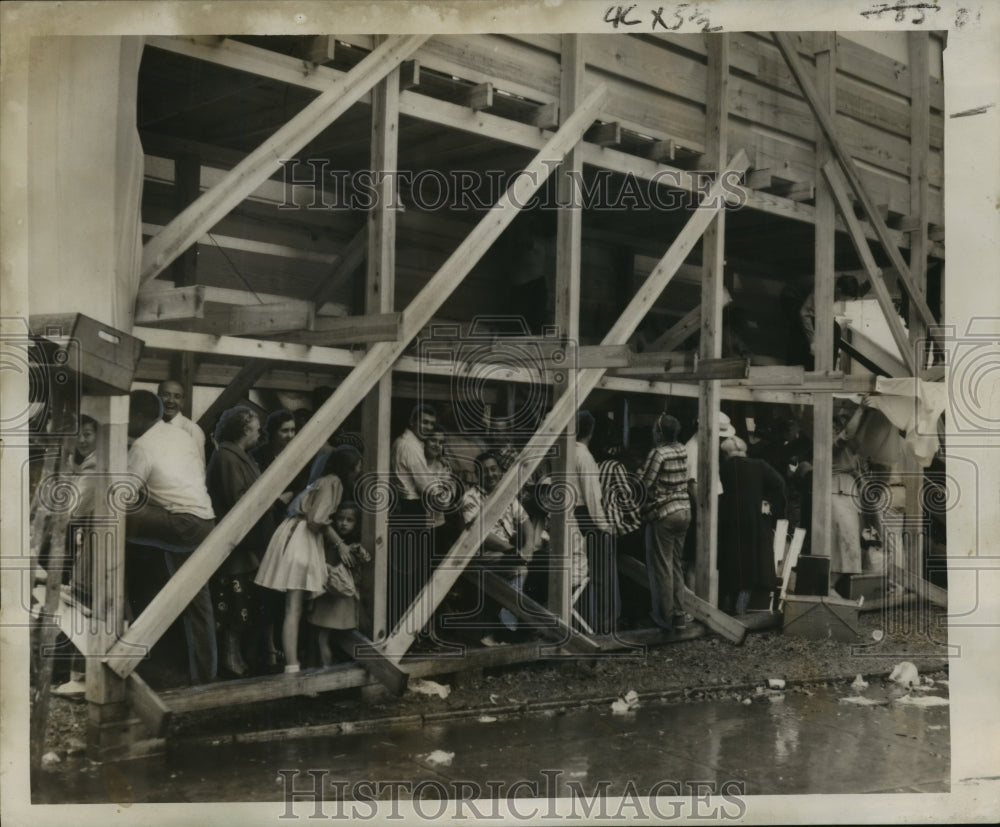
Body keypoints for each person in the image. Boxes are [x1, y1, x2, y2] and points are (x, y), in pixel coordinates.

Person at [126, 390, 217, 685]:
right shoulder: (182, 435)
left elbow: (123, 497)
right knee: (197, 601)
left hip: (183, 524)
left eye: (126, 419)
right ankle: (205, 674)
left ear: (138, 417)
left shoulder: (142, 445)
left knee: (108, 516)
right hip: (205, 520)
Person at [255, 447, 360, 673]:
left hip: (291, 531)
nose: (357, 474)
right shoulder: (334, 483)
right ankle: (292, 666)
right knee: (293, 607)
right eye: (356, 470)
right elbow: (316, 520)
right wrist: (339, 543)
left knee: (294, 606)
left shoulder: (321, 480)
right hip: (302, 537)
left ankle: (293, 661)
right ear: (348, 469)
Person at [205, 406, 275, 677]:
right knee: (235, 608)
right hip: (237, 548)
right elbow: (238, 500)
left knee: (243, 606)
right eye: (257, 429)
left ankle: (237, 657)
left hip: (247, 547)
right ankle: (230, 659)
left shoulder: (236, 456)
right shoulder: (227, 458)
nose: (259, 435)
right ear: (245, 429)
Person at [460, 452, 535, 645]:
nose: (491, 474)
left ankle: (523, 624)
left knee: (546, 563)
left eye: (494, 469)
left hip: (506, 551)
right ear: (477, 476)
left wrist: (528, 547)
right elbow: (480, 534)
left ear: (501, 471)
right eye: (485, 471)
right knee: (519, 569)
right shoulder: (470, 498)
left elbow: (526, 521)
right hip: (482, 555)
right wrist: (511, 550)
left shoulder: (505, 493)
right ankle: (507, 628)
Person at [52, 414, 100, 699]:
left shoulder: (93, 468)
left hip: (94, 543)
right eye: (77, 434)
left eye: (87, 434)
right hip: (84, 541)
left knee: (82, 606)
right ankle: (70, 674)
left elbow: (74, 510)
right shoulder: (81, 465)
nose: (81, 439)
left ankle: (80, 677)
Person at [717, 436, 787, 615]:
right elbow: (779, 483)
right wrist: (767, 502)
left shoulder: (722, 468)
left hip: (728, 520)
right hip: (753, 520)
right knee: (750, 567)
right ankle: (740, 610)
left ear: (725, 453)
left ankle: (725, 609)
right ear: (744, 450)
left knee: (729, 565)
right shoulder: (759, 465)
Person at [639, 414, 692, 630]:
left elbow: (645, 484)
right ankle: (679, 614)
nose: (653, 432)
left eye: (654, 429)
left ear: (660, 433)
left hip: (665, 513)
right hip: (684, 510)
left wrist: (638, 474)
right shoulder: (681, 449)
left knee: (662, 566)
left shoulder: (658, 453)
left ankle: (664, 617)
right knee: (676, 564)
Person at [570, 411, 616, 634]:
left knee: (587, 572)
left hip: (572, 513)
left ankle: (588, 620)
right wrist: (604, 526)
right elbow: (592, 496)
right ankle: (603, 624)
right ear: (591, 431)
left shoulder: (565, 453)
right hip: (585, 515)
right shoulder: (584, 456)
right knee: (601, 572)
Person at [309, 500, 370, 666]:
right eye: (341, 519)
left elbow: (363, 561)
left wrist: (361, 553)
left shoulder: (355, 545)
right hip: (327, 595)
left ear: (357, 524)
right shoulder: (329, 540)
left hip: (341, 598)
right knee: (321, 637)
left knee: (326, 637)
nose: (344, 523)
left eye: (350, 520)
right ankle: (325, 673)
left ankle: (328, 673)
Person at [681, 411, 736, 588]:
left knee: (705, 559)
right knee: (696, 560)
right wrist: (705, 515)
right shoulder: (693, 449)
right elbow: (693, 486)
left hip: (708, 507)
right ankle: (694, 606)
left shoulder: (704, 448)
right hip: (701, 511)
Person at [157, 379, 206, 465]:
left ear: (182, 402)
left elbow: (199, 470)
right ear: (157, 397)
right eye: (166, 395)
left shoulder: (192, 430)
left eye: (177, 397)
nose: (171, 400)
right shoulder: (150, 426)